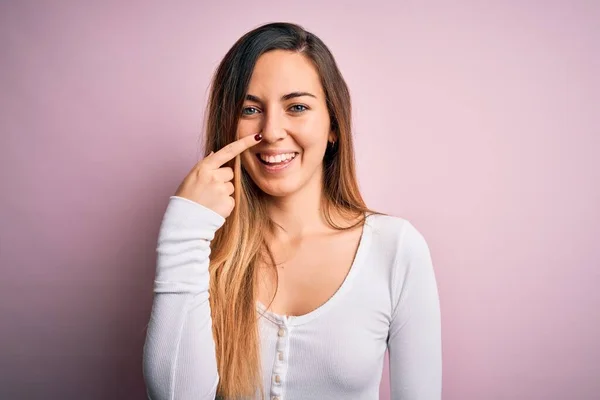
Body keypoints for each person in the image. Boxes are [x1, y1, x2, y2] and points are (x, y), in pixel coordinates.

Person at [143, 22, 442, 400]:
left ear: (334, 124)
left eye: (296, 107)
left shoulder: (396, 249)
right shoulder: (202, 248)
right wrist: (183, 230)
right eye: (250, 109)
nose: (271, 132)